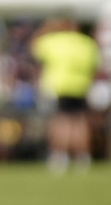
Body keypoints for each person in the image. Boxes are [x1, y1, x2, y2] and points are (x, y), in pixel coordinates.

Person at [31, 17, 100, 171]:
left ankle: (59, 155)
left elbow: (34, 47)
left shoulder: (55, 41)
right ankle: (82, 156)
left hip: (59, 86)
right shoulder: (86, 43)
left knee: (61, 121)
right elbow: (95, 65)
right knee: (79, 122)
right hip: (81, 86)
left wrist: (47, 28)